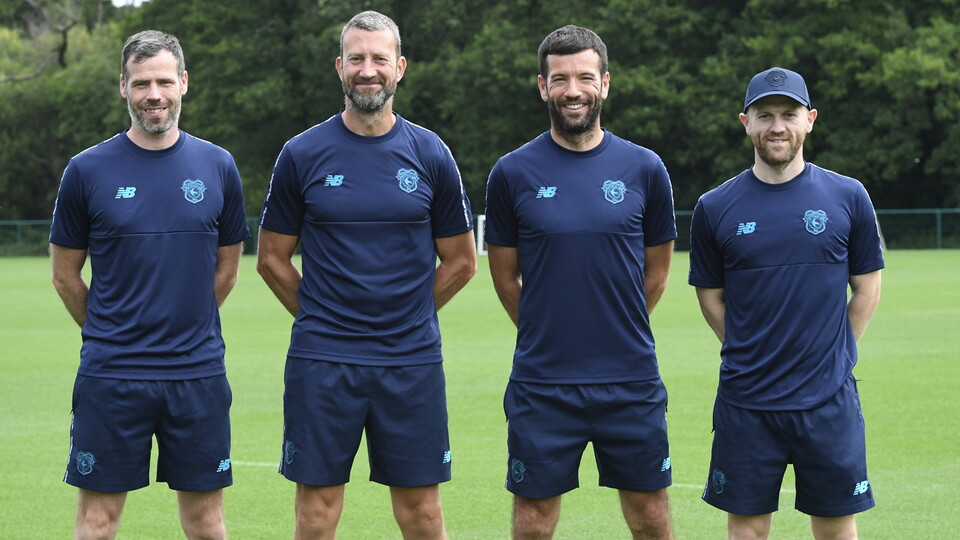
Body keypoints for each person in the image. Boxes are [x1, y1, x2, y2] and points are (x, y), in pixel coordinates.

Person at [256, 10, 476, 540]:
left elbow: (463, 260)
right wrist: (322, 315)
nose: (368, 69)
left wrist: (409, 314)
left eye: (379, 58)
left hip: (410, 358)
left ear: (400, 67)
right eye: (357, 58)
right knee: (316, 512)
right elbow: (271, 258)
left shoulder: (430, 153)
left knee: (422, 513)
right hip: (323, 358)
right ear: (340, 67)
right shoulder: (302, 153)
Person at [49, 30, 249, 540]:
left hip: (197, 373)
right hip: (112, 375)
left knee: (206, 522)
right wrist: (109, 331)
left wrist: (191, 322)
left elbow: (227, 266)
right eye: (141, 84)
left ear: (183, 83)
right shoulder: (86, 170)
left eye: (164, 81)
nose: (153, 94)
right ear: (123, 87)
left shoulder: (219, 166)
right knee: (97, 522)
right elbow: (65, 274)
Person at [484, 25, 677, 540]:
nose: (573, 90)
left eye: (585, 77)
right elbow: (504, 276)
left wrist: (618, 326)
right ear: (542, 86)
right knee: (533, 524)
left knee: (651, 518)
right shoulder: (511, 172)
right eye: (560, 78)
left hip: (630, 378)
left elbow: (657, 271)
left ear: (605, 83)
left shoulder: (645, 169)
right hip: (542, 382)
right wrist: (547, 332)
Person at [688, 67, 884, 540]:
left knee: (836, 529)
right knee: (749, 530)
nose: (778, 126)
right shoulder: (714, 207)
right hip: (747, 401)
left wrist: (837, 351)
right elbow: (710, 296)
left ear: (810, 119)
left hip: (829, 399)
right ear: (746, 123)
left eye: (789, 114)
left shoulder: (848, 196)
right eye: (765, 115)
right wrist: (748, 348)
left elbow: (867, 286)